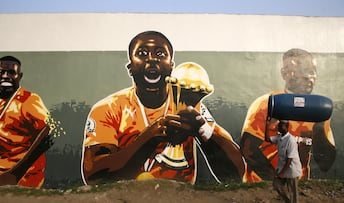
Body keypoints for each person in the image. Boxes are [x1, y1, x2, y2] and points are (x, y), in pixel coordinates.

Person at [81, 31, 248, 185]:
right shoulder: (108, 108)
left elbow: (236, 173)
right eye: (142, 53)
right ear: (130, 67)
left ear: (171, 66)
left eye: (160, 54)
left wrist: (202, 130)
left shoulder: (188, 105)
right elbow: (94, 175)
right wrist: (150, 137)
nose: (152, 59)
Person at [240, 48, 336, 182]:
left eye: (311, 71)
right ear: (284, 74)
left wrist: (318, 126)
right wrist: (276, 180)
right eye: (301, 70)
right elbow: (248, 149)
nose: (308, 76)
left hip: (297, 186)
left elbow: (325, 163)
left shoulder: (317, 109)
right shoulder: (266, 103)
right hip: (261, 185)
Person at [0, 56, 53, 188]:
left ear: (19, 76)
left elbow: (51, 131)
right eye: (1, 72)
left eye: (11, 73)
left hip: (22, 175)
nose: (5, 76)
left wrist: (15, 174)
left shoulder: (30, 100)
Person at [266, 120, 302, 203]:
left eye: (281, 126)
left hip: (292, 170)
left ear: (287, 126)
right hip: (283, 168)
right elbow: (267, 139)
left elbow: (290, 159)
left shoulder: (291, 140)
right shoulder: (279, 137)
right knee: (277, 185)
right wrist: (267, 126)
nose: (279, 127)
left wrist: (282, 173)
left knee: (293, 192)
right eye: (279, 126)